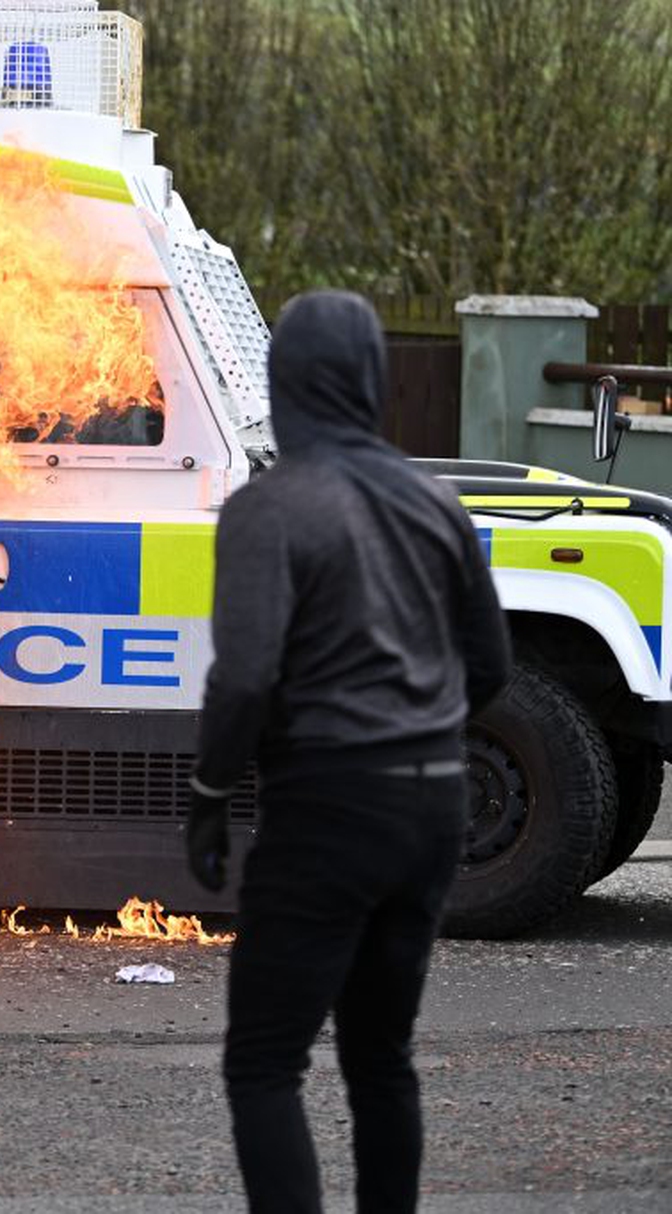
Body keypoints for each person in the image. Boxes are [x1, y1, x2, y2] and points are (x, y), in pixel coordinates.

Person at [184, 291, 511, 1213]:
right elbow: (490, 664)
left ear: (282, 383)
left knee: (264, 1063)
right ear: (372, 380)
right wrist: (423, 733)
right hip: (433, 808)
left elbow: (244, 679)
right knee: (381, 1056)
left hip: (328, 807)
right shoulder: (434, 502)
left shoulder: (272, 507)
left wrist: (211, 794)